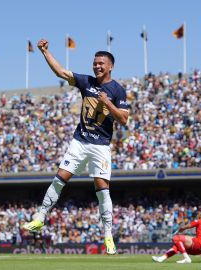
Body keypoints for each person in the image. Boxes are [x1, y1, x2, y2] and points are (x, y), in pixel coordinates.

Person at [22, 39, 130, 255]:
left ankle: (108, 235)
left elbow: (124, 120)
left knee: (102, 190)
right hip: (80, 141)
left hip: (100, 146)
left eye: (101, 63)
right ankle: (40, 217)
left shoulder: (118, 90)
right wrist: (45, 52)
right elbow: (61, 72)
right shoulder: (86, 81)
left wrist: (107, 103)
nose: (97, 66)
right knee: (60, 177)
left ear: (111, 66)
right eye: (95, 63)